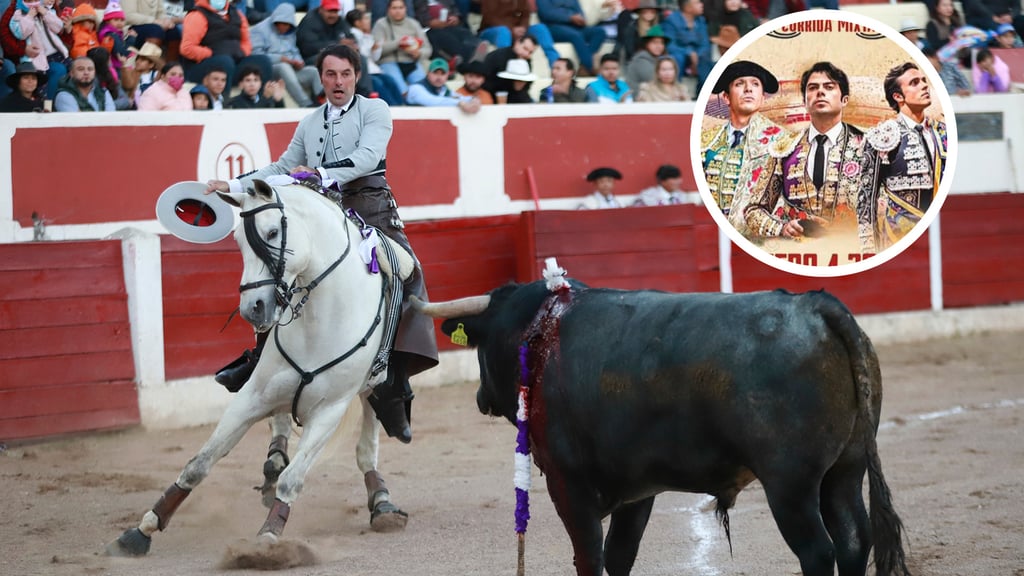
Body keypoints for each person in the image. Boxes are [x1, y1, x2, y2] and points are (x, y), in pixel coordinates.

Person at [204, 44, 439, 444]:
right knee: (279, 272)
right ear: (321, 78)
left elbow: (366, 158)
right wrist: (235, 184)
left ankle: (392, 380)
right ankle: (260, 360)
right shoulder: (310, 122)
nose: (338, 82)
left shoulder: (375, 111)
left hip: (371, 208)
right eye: (330, 75)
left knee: (406, 272)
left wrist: (316, 173)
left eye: (345, 74)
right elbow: (280, 168)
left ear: (356, 75)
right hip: (321, 214)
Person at [743, 62, 865, 241]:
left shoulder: (867, 146)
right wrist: (782, 228)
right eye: (813, 88)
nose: (820, 92)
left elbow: (887, 211)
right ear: (804, 102)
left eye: (829, 87)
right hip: (797, 252)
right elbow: (754, 210)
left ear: (844, 99)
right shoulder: (784, 149)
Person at [857, 62, 947, 254]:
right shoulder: (881, 137)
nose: (924, 85)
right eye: (914, 83)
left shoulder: (943, 132)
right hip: (897, 237)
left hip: (940, 231)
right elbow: (866, 198)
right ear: (898, 96)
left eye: (924, 81)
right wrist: (868, 250)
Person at [699, 60, 789, 225]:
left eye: (755, 84)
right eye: (739, 84)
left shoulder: (783, 141)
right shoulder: (706, 140)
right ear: (726, 97)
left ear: (762, 98)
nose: (748, 89)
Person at [179, 0, 274, 89]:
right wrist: (211, 53)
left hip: (234, 62)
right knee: (224, 62)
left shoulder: (238, 14)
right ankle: (224, 102)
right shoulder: (197, 15)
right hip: (203, 67)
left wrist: (242, 52)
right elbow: (187, 48)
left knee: (263, 61)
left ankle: (263, 102)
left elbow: (246, 42)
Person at [250, 2, 322, 107]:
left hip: (291, 68)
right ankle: (306, 104)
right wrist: (281, 59)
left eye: (287, 24)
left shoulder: (291, 31)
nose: (285, 27)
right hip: (270, 69)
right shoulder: (259, 30)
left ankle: (324, 103)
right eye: (282, 23)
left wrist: (299, 61)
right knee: (283, 67)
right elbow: (256, 55)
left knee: (314, 71)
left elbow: (294, 50)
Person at [8, 0, 69, 100]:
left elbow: (58, 27)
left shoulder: (47, 10)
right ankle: (42, 105)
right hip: (34, 59)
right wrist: (29, 16)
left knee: (64, 70)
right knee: (40, 85)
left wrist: (45, 13)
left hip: (55, 54)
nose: (33, 2)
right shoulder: (18, 14)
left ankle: (51, 105)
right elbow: (22, 34)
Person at [478, 0, 560, 70]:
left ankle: (557, 66)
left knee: (540, 28)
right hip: (491, 30)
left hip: (516, 29)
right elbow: (490, 18)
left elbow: (525, 14)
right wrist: (511, 29)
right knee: (503, 32)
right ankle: (505, 67)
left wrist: (523, 27)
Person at [372, 0, 431, 96]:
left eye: (400, 8)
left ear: (405, 9)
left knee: (425, 90)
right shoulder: (380, 24)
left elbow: (428, 48)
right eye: (394, 8)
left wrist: (419, 53)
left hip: (411, 62)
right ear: (388, 10)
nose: (398, 11)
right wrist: (398, 43)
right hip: (388, 62)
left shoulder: (413, 24)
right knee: (403, 92)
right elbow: (376, 51)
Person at [348, 7, 404, 105]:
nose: (368, 21)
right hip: (365, 72)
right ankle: (391, 107)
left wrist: (376, 49)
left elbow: (374, 58)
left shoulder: (367, 36)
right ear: (357, 22)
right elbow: (361, 55)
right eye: (365, 19)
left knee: (389, 80)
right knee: (378, 84)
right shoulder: (353, 35)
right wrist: (371, 49)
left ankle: (401, 106)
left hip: (374, 69)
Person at [536, 0, 607, 75]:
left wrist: (581, 19)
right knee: (575, 35)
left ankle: (584, 66)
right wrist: (569, 17)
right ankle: (590, 68)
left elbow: (580, 13)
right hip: (554, 27)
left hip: (574, 26)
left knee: (599, 32)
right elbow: (546, 14)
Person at [411, 0, 484, 67]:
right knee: (443, 37)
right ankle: (469, 57)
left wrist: (455, 18)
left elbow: (455, 10)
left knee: (464, 33)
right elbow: (420, 17)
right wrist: (430, 23)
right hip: (429, 30)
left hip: (449, 26)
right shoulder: (419, 1)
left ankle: (477, 48)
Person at [662, 0, 711, 91]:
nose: (701, 5)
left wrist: (697, 55)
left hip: (698, 56)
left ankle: (703, 93)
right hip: (680, 54)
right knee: (677, 58)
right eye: (697, 3)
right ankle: (676, 90)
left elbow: (705, 44)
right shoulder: (671, 20)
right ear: (688, 8)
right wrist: (689, 53)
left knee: (706, 58)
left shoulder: (701, 20)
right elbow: (669, 44)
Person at [406, 57, 481, 111]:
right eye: (435, 73)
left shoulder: (444, 90)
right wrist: (459, 103)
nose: (439, 77)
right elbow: (432, 101)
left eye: (443, 74)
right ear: (428, 73)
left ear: (447, 75)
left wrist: (473, 99)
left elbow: (459, 97)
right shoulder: (415, 88)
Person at [481, 33, 537, 101]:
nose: (526, 54)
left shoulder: (527, 62)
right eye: (525, 48)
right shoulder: (497, 56)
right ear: (517, 43)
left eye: (530, 52)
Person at [615, 0, 664, 64]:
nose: (649, 14)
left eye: (652, 12)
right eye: (645, 12)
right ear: (640, 13)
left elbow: (662, 47)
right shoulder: (632, 28)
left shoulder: (657, 28)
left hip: (655, 59)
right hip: (636, 60)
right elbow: (629, 48)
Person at [624, 23, 669, 92]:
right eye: (654, 43)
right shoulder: (641, 61)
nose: (659, 46)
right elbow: (655, 81)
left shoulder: (656, 59)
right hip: (639, 99)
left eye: (661, 43)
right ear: (646, 44)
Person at [99, 1, 136, 79]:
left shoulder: (114, 33)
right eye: (116, 20)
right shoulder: (110, 34)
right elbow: (121, 54)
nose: (120, 23)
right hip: (113, 69)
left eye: (122, 20)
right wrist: (131, 39)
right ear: (107, 21)